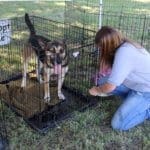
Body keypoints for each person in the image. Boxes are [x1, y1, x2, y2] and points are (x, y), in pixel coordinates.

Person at [89, 26, 150, 131]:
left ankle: (146, 108)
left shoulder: (124, 53)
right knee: (101, 81)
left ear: (107, 46)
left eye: (101, 48)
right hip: (134, 83)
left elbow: (110, 86)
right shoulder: (123, 45)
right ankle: (132, 100)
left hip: (145, 90)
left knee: (117, 125)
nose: (100, 50)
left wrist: (97, 90)